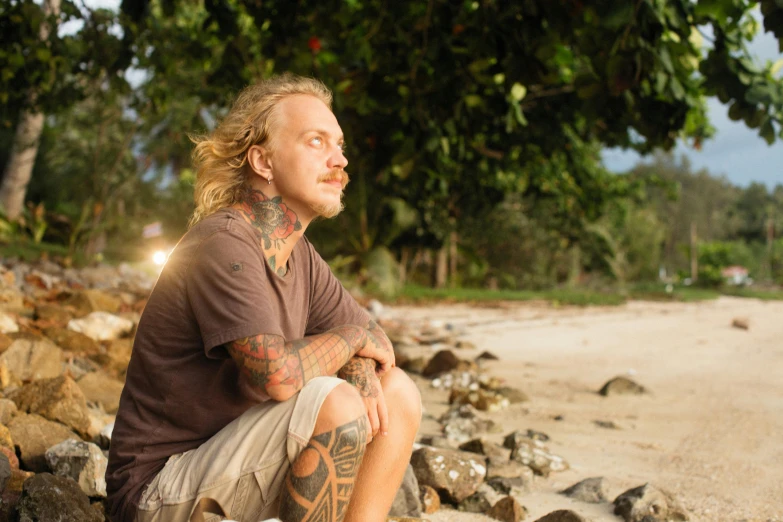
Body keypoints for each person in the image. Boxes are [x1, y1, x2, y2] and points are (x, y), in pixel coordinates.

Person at [106, 74, 422, 522]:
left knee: (398, 392)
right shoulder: (224, 243)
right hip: (157, 492)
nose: (340, 160)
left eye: (340, 144)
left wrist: (356, 356)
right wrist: (350, 342)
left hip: (228, 466)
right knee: (336, 403)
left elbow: (377, 342)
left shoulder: (300, 255)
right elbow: (275, 375)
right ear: (263, 160)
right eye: (317, 142)